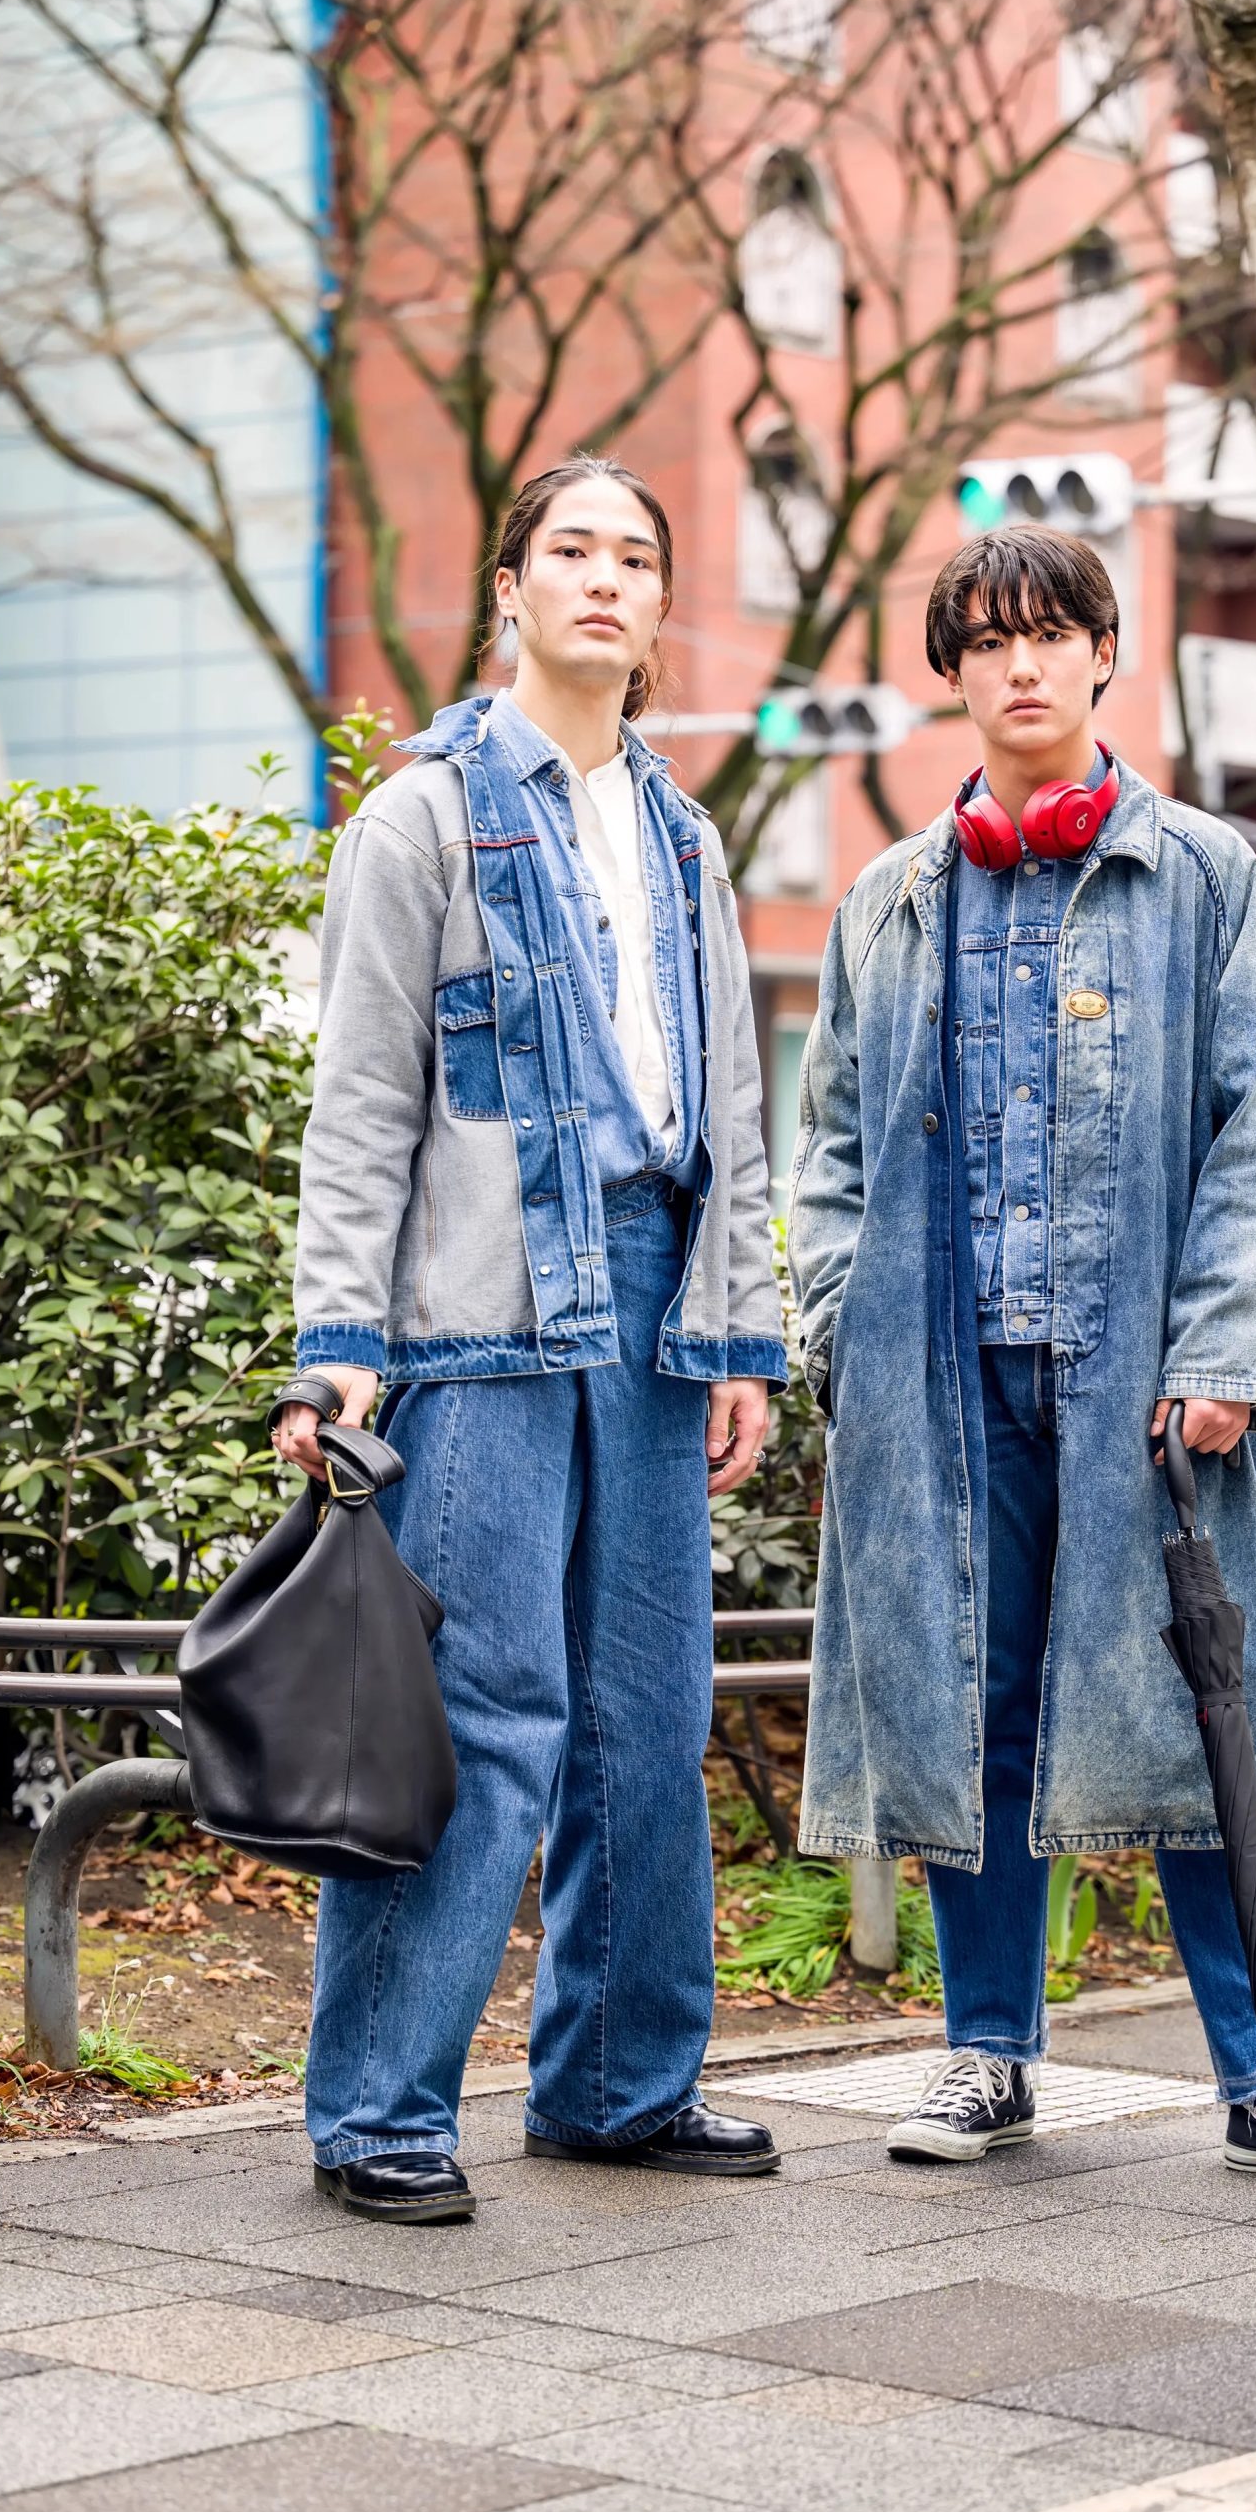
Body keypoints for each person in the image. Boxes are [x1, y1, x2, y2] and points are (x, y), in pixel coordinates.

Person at [788, 524, 1256, 2191]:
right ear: (949, 674)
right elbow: (827, 1143)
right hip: (942, 1386)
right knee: (972, 1715)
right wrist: (832, 1323)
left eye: (1055, 634)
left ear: (1106, 655)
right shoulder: (890, 900)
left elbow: (1255, 1135)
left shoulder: (1202, 875)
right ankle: (986, 2059)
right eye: (988, 641)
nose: (1022, 665)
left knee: (1205, 1720)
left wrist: (1231, 1343)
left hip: (1152, 1396)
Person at [274, 455, 788, 2223]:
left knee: (648, 1722)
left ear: (658, 609)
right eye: (568, 548)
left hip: (651, 1320)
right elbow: (359, 1106)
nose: (602, 579)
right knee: (485, 1720)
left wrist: (735, 1330)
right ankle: (381, 2112)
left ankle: (620, 2086)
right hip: (481, 1322)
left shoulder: (680, 832)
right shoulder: (419, 816)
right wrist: (337, 1343)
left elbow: (727, 1100)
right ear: (510, 586)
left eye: (635, 558)